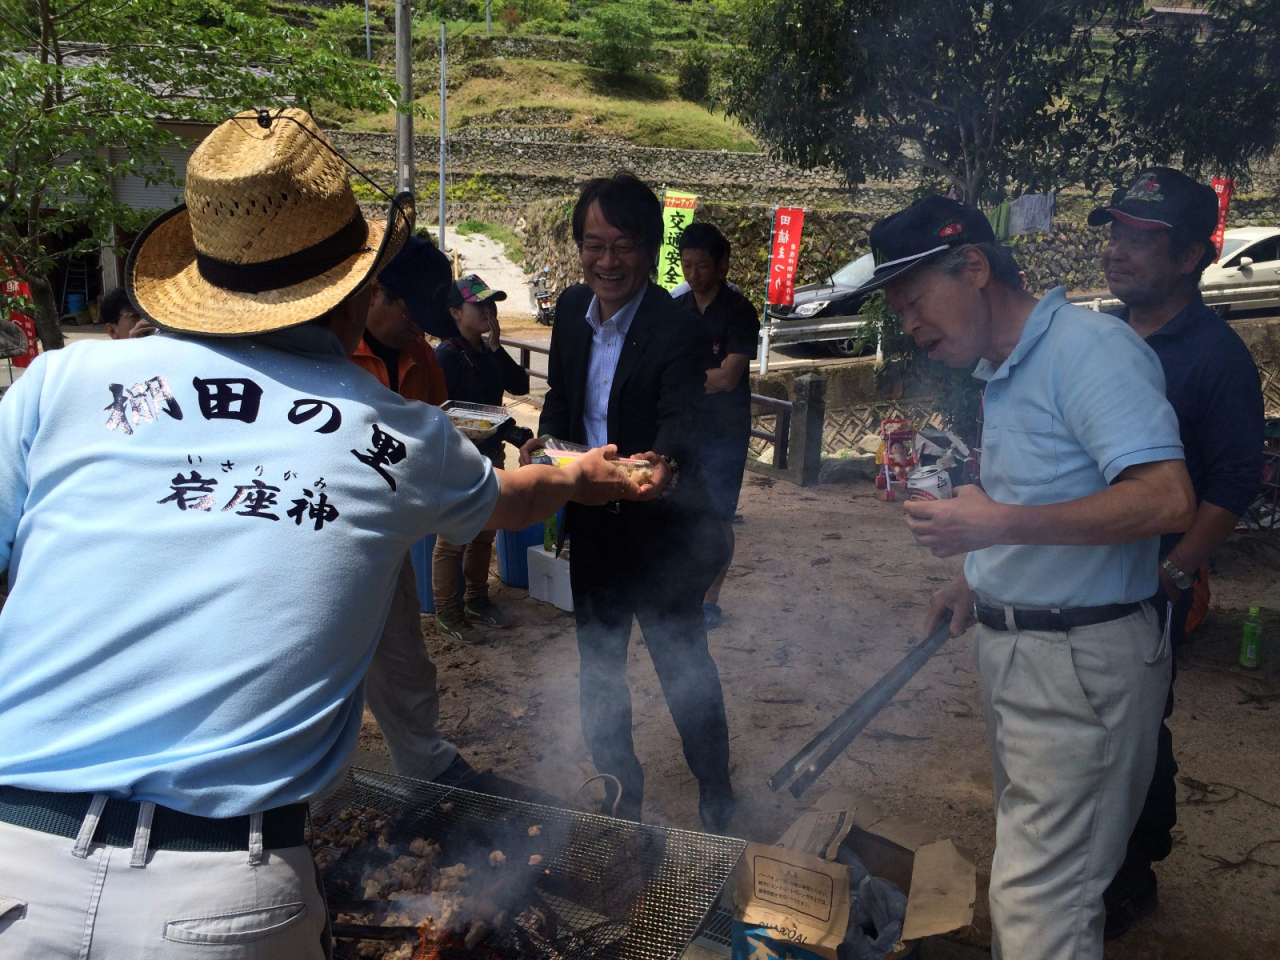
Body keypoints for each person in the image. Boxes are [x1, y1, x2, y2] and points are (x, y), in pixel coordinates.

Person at [0, 108, 641, 959]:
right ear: (352, 291)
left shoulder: (62, 383)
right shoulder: (397, 435)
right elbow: (510, 501)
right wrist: (581, 479)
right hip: (222, 895)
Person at [853, 194, 1196, 960]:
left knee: (1042, 906)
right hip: (1030, 660)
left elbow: (1165, 496)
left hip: (1080, 666)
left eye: (914, 302)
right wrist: (978, 579)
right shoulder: (1007, 371)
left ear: (974, 266)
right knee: (1037, 881)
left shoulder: (1087, 349)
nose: (910, 325)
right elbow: (1046, 497)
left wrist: (996, 528)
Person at [518, 172, 735, 833]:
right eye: (593, 244)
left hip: (665, 531)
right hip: (596, 527)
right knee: (599, 668)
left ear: (648, 249)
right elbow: (564, 403)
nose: (606, 262)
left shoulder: (677, 327)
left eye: (623, 246)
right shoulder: (572, 316)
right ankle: (620, 797)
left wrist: (663, 459)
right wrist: (543, 445)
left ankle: (716, 792)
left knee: (682, 665)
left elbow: (683, 416)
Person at [1090, 168, 1265, 939]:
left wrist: (1177, 569)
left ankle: (1134, 874)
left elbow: (1233, 481)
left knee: (1136, 731)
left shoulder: (1215, 356)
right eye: (1116, 232)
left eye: (1142, 238)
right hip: (1082, 571)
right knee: (1082, 724)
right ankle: (1084, 860)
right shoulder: (1095, 338)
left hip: (1154, 581)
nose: (1118, 251)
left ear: (1193, 253)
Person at [432, 274, 531, 642]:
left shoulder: (486, 352)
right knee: (452, 539)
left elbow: (520, 386)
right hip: (458, 459)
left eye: (492, 303)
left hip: (491, 455)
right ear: (456, 313)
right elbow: (434, 410)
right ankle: (448, 611)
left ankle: (477, 600)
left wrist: (496, 345)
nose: (489, 310)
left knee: (484, 532)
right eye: (480, 305)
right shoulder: (445, 355)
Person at [673, 222, 760, 628]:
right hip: (686, 428)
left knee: (719, 516)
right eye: (687, 265)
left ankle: (711, 597)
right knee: (680, 511)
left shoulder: (739, 312)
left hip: (725, 431)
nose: (693, 275)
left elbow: (727, 378)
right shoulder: (678, 310)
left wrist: (686, 378)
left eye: (703, 266)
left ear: (722, 264)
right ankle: (683, 590)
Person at [349, 234, 454, 404]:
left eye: (425, 321)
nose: (419, 332)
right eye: (412, 318)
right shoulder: (338, 355)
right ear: (374, 292)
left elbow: (439, 414)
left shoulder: (422, 355)